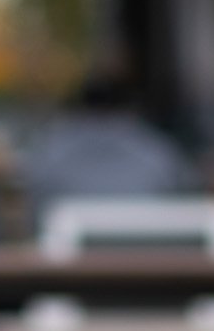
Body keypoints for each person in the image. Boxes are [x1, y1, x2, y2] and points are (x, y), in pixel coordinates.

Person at [17, 66, 195, 222]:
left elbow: (33, 203)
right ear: (130, 107)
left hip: (69, 258)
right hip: (151, 253)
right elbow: (183, 196)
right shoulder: (157, 150)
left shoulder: (50, 150)